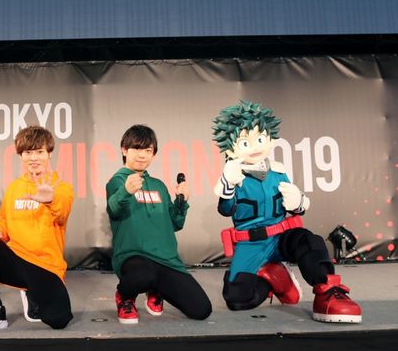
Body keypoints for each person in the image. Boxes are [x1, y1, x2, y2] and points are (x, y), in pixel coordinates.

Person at [211, 100, 361, 323]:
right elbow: (226, 209)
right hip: (251, 244)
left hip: (281, 237)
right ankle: (273, 277)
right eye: (245, 142)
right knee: (236, 299)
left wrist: (298, 201)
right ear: (231, 147)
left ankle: (328, 290)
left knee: (309, 241)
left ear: (270, 139)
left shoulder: (278, 172)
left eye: (260, 139)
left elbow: (296, 208)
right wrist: (228, 186)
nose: (255, 147)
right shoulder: (233, 176)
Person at [0, 125, 74, 332]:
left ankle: (32, 292)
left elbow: (62, 213)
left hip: (45, 266)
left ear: (49, 153)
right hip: (15, 259)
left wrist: (50, 199)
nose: (33, 158)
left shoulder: (61, 187)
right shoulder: (14, 187)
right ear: (20, 155)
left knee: (59, 319)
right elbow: (4, 222)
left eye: (39, 152)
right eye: (28, 152)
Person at [106, 124, 212, 324]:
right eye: (137, 148)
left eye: (148, 150)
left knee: (202, 309)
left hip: (166, 259)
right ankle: (125, 296)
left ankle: (156, 289)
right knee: (141, 275)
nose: (142, 155)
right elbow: (114, 209)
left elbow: (175, 224)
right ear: (124, 150)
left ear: (153, 154)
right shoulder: (117, 182)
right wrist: (125, 191)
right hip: (133, 256)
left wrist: (182, 202)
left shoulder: (159, 185)